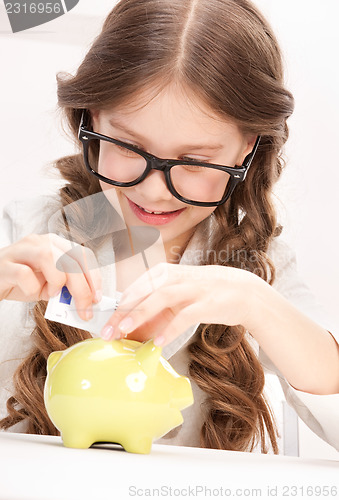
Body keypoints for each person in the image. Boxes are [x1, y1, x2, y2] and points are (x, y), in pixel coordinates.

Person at [0, 0, 338, 455]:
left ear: (246, 150)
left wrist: (261, 305)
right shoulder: (20, 232)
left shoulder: (253, 262)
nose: (156, 191)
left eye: (194, 161)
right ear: (92, 118)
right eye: (127, 146)